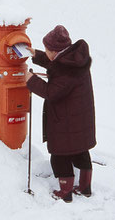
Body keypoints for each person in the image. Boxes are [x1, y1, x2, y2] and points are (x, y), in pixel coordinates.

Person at [26, 25, 96, 203]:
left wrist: (30, 80)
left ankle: (65, 192)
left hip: (65, 119)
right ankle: (85, 187)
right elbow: (55, 64)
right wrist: (36, 54)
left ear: (57, 51)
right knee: (80, 149)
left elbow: (51, 92)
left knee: (60, 154)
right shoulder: (73, 60)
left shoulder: (66, 70)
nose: (47, 53)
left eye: (48, 50)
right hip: (79, 117)